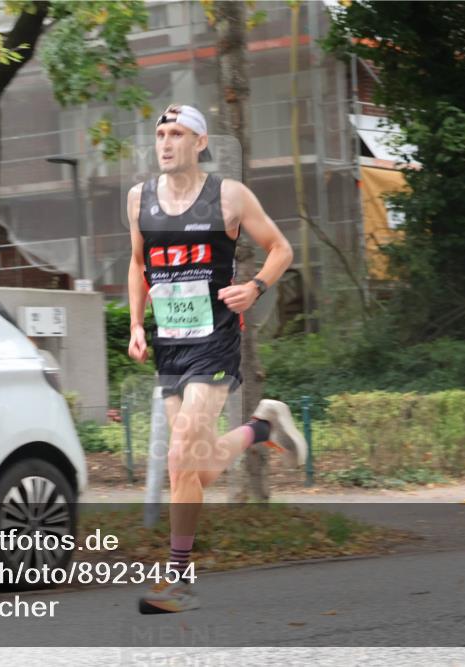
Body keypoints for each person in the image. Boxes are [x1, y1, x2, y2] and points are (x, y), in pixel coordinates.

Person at [127, 103, 307, 614]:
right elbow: (139, 263)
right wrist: (138, 324)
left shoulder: (228, 196)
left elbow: (280, 248)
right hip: (169, 344)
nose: (166, 143)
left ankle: (180, 581)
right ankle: (261, 427)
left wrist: (254, 287)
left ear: (200, 142)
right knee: (190, 466)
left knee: (182, 450)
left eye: (178, 133)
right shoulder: (139, 199)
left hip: (216, 340)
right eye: (161, 133)